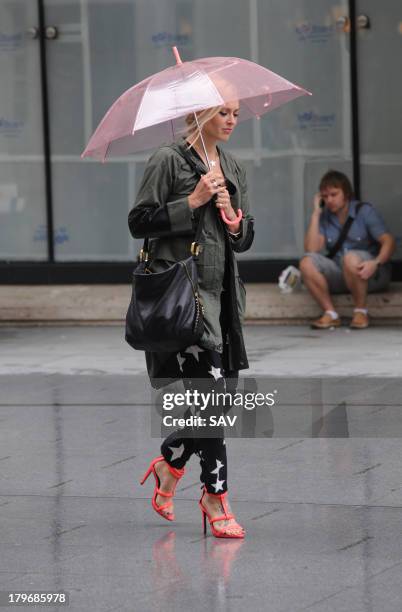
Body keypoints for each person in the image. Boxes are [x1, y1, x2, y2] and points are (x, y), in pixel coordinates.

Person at [128, 102, 254, 538]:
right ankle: (215, 497)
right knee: (211, 401)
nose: (233, 119)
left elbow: (244, 236)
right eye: (223, 111)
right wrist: (194, 200)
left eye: (237, 112)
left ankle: (170, 462)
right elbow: (138, 221)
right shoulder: (168, 160)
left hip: (223, 302)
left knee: (221, 400)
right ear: (198, 114)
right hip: (184, 299)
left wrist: (234, 220)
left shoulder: (233, 166)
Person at [300, 170, 395, 329]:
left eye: (334, 194)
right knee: (306, 262)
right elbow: (311, 249)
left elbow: (388, 241)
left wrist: (375, 263)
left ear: (346, 193)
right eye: (325, 196)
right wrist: (316, 214)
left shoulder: (364, 211)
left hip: (371, 273)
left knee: (350, 257)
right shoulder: (325, 216)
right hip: (341, 273)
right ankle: (331, 314)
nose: (329, 200)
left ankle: (360, 312)